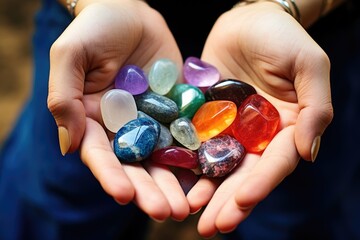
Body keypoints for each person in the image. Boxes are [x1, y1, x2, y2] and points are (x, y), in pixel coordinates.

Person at [0, 0, 358, 240]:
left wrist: (289, 5)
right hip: (102, 34)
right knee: (61, 204)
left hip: (290, 41)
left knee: (294, 216)